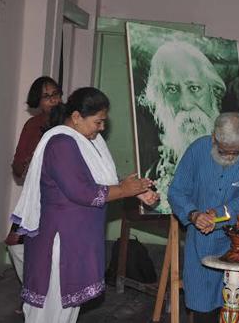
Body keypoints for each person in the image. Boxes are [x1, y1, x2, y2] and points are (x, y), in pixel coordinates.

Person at [11, 87, 158, 322]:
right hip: (59, 241)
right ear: (77, 117)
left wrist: (134, 190)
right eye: (98, 122)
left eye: (103, 122)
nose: (101, 128)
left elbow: (99, 178)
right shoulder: (61, 143)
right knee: (51, 309)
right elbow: (82, 191)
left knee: (66, 310)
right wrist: (124, 190)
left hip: (77, 237)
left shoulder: (87, 141)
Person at [167, 112, 239, 323]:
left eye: (236, 153)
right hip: (202, 239)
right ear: (213, 138)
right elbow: (177, 191)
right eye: (224, 151)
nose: (229, 157)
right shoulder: (197, 150)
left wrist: (216, 214)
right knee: (203, 306)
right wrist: (194, 214)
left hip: (237, 242)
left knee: (233, 302)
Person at [140, 41, 226, 212]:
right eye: (172, 90)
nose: (185, 104)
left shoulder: (236, 160)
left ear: (212, 93)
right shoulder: (153, 175)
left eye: (194, 88)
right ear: (159, 99)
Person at [7, 76, 62, 283]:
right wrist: (27, 163)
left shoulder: (72, 120)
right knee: (15, 243)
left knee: (55, 250)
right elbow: (17, 166)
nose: (53, 100)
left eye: (55, 94)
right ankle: (32, 293)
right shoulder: (32, 125)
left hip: (63, 198)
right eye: (46, 97)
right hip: (36, 195)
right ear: (37, 101)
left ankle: (47, 297)